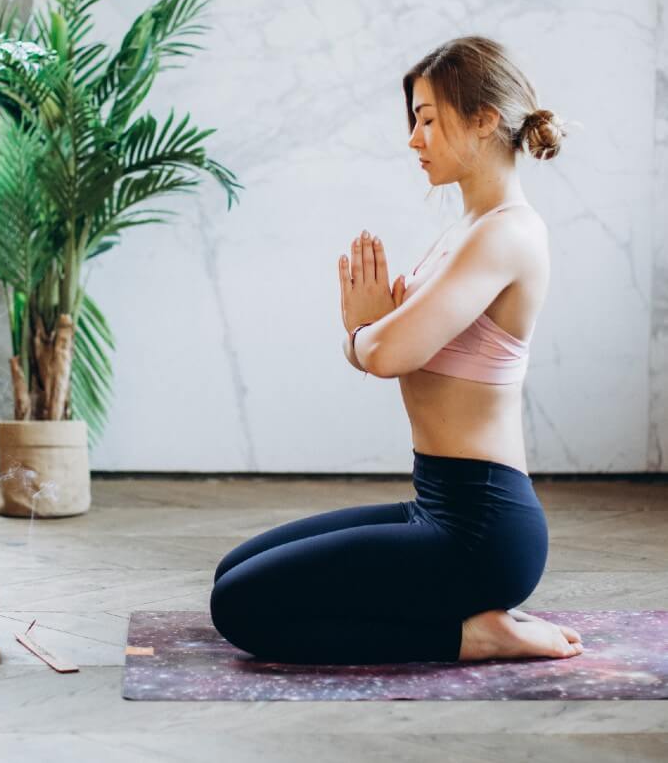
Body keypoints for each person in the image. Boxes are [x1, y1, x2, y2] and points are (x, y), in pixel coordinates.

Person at [209, 36, 584, 665]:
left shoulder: (508, 234)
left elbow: (386, 353)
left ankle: (471, 635)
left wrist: (361, 334)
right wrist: (372, 335)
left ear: (486, 120)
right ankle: (460, 612)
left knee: (240, 607)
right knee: (233, 571)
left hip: (481, 529)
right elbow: (387, 344)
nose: (414, 139)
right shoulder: (466, 232)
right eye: (414, 121)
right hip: (434, 502)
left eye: (429, 120)